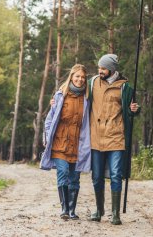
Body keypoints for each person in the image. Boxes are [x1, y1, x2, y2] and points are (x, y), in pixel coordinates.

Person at [89, 54, 139, 225]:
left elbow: (132, 109)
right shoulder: (93, 82)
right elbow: (77, 93)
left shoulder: (125, 87)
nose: (100, 70)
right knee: (96, 176)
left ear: (112, 69)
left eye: (103, 68)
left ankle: (115, 213)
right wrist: (57, 99)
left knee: (116, 175)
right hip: (96, 136)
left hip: (116, 137)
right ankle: (99, 209)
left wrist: (134, 109)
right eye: (99, 68)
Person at [40, 64, 91, 220]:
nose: (80, 80)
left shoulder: (87, 99)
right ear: (71, 76)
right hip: (60, 143)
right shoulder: (60, 96)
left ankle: (72, 210)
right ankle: (64, 209)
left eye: (82, 77)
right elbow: (49, 120)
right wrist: (47, 137)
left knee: (75, 178)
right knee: (62, 173)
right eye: (77, 76)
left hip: (78, 144)